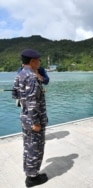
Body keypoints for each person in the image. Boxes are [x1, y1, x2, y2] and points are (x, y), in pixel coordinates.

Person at [12, 49, 48, 187]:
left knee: (28, 146)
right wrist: (35, 122)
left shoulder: (20, 74)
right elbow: (32, 103)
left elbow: (16, 95)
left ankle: (29, 172)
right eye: (38, 60)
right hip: (33, 120)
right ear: (32, 61)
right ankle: (32, 178)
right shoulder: (32, 77)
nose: (39, 62)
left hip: (24, 117)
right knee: (35, 148)